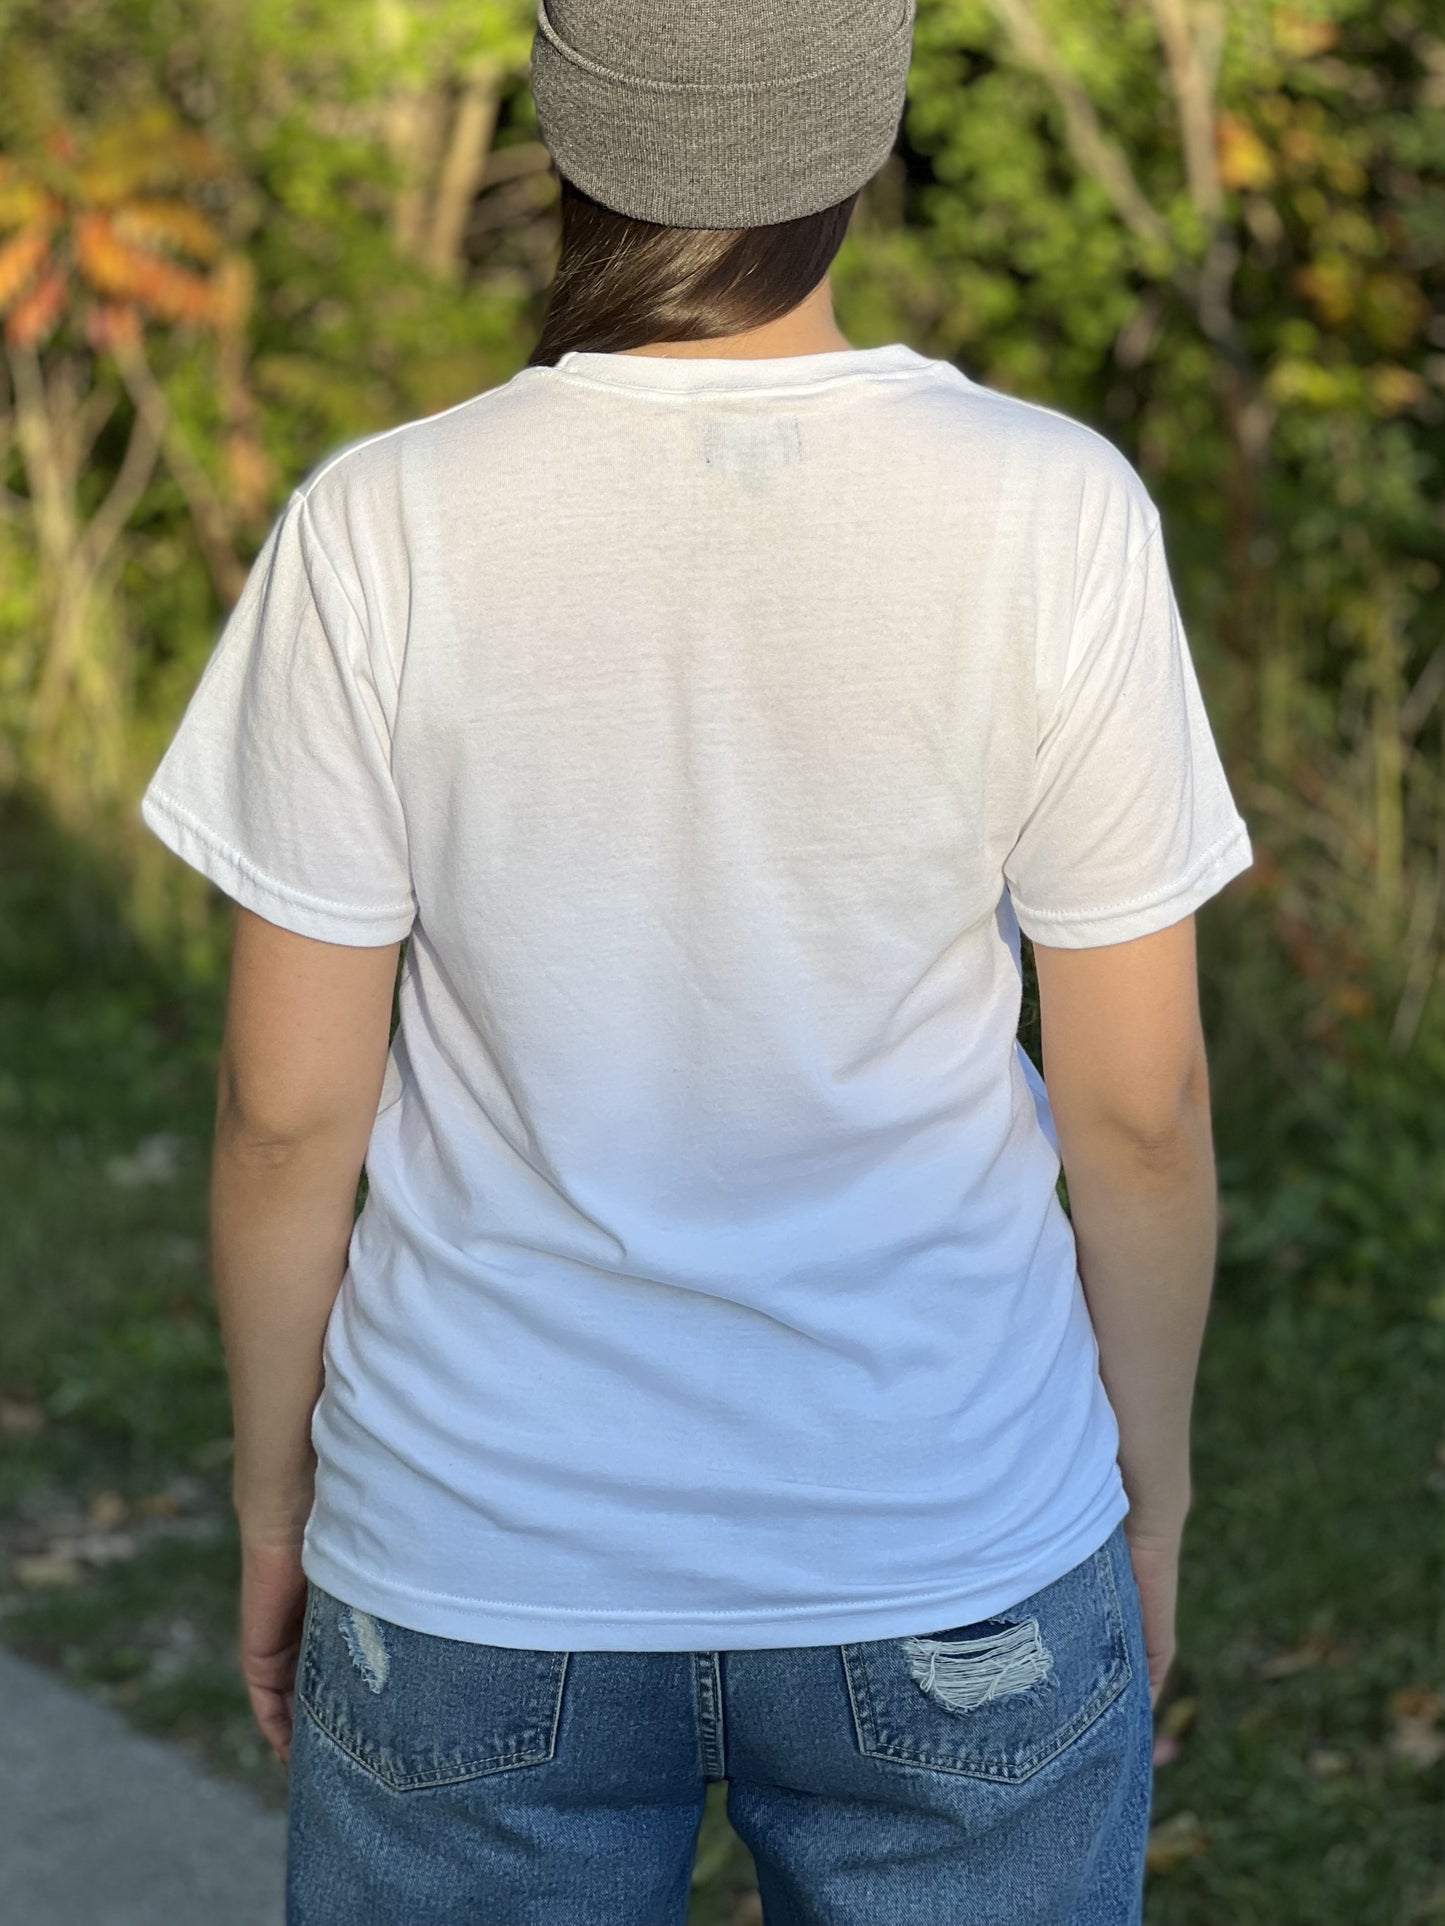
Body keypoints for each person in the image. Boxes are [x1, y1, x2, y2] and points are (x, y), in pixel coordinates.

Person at [137, 0, 1253, 1919]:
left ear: (564, 122)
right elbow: (1135, 1107)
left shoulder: (379, 523)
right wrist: (1141, 1496)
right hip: (951, 1534)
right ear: (867, 127)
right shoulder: (1052, 507)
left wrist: (277, 1498)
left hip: (475, 1547)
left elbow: (284, 1104)